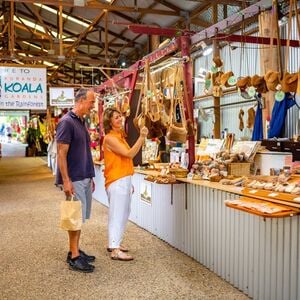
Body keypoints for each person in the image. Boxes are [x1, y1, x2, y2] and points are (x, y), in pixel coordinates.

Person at [56, 88, 96, 273]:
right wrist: (66, 180)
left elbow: (83, 151)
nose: (93, 105)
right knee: (74, 217)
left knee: (79, 217)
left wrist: (90, 175)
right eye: (91, 101)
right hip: (74, 178)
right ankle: (74, 256)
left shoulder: (80, 121)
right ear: (80, 101)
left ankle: (76, 249)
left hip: (84, 175)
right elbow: (61, 154)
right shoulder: (66, 122)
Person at [102, 107, 148, 261]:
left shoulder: (119, 136)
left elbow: (125, 159)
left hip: (123, 179)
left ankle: (116, 243)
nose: (120, 119)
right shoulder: (110, 138)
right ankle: (114, 248)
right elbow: (129, 154)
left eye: (120, 116)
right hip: (117, 180)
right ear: (109, 121)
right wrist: (141, 138)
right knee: (117, 214)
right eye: (116, 117)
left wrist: (129, 181)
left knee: (123, 213)